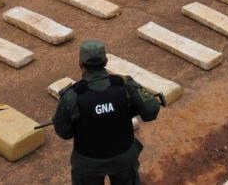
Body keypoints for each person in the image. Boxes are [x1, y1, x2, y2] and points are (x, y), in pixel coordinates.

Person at [53, 40, 162, 185]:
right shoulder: (124, 84)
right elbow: (151, 111)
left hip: (88, 163)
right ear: (106, 61)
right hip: (123, 158)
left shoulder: (71, 95)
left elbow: (64, 133)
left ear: (80, 63)